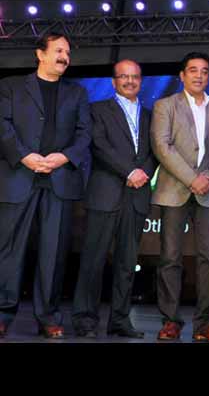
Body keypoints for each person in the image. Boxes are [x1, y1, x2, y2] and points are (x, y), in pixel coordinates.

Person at [0, 32, 91, 339]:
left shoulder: (77, 92)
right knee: (9, 251)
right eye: (58, 50)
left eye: (67, 52)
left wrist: (63, 157)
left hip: (59, 180)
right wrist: (24, 156)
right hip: (19, 178)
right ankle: (2, 313)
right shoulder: (11, 86)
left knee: (53, 255)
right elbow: (3, 126)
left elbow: (84, 134)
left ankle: (48, 318)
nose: (64, 56)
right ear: (40, 54)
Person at [71, 59, 157, 339]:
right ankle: (85, 319)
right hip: (105, 194)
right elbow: (99, 145)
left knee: (126, 264)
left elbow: (156, 151)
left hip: (136, 196)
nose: (129, 81)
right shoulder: (97, 110)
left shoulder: (149, 115)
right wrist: (129, 170)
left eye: (134, 77)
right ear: (114, 81)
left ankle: (120, 320)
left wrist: (143, 171)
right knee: (93, 261)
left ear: (140, 81)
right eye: (123, 76)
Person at [150, 52, 209, 342]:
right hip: (175, 190)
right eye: (193, 70)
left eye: (205, 71)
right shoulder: (165, 105)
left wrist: (208, 177)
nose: (199, 76)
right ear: (182, 75)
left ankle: (205, 324)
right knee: (170, 258)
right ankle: (170, 320)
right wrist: (192, 178)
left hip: (208, 192)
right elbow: (162, 146)